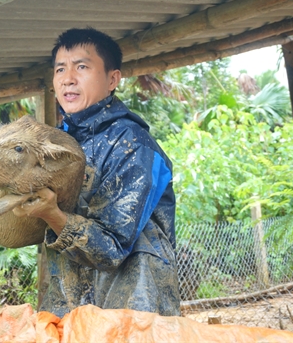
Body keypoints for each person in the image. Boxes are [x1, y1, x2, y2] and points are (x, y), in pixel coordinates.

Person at [12, 27, 181, 317]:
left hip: (134, 309)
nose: (68, 79)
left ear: (112, 79)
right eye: (60, 69)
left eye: (81, 67)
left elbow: (113, 248)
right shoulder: (57, 143)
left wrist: (52, 213)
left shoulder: (133, 144)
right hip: (73, 306)